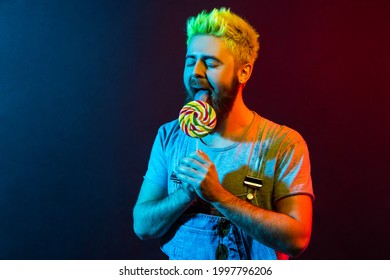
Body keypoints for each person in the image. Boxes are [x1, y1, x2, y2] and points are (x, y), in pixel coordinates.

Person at [133, 7, 314, 260]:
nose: (196, 72)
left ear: (244, 71)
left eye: (210, 62)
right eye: (190, 61)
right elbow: (143, 226)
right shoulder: (169, 136)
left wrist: (218, 196)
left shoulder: (283, 143)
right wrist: (186, 194)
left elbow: (297, 239)